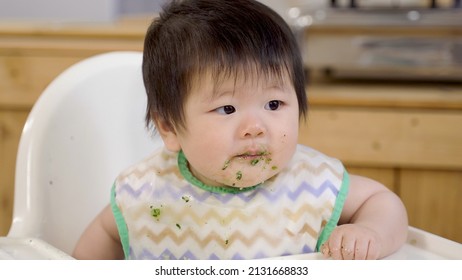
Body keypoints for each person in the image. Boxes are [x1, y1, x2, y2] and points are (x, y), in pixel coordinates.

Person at [72, 0, 408, 260]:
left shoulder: (311, 182)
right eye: (227, 109)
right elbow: (105, 236)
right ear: (169, 126)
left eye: (274, 104)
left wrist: (370, 231)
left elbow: (382, 201)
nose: (254, 128)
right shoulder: (145, 192)